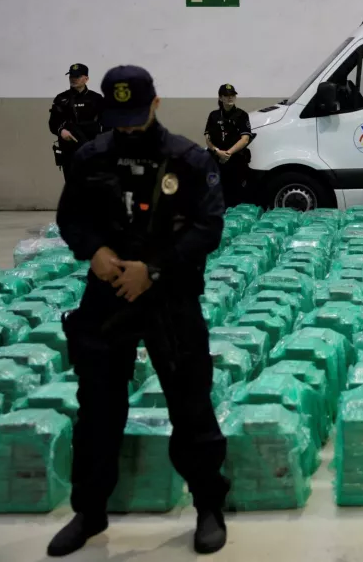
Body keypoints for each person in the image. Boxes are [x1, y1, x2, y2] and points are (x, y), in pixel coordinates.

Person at [50, 65, 229, 557]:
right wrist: (96, 252)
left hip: (169, 296)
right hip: (108, 295)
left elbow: (208, 226)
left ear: (154, 104)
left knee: (190, 405)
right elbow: (72, 217)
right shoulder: (89, 158)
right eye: (118, 116)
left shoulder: (187, 160)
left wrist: (150, 269)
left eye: (135, 114)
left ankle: (209, 507)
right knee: (98, 410)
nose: (127, 126)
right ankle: (89, 512)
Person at [49, 64, 104, 179]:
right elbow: (53, 123)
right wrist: (62, 131)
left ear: (86, 79)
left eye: (77, 76)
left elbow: (107, 122)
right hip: (69, 149)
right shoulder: (61, 98)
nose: (73, 79)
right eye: (71, 76)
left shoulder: (96, 99)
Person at [204, 83, 254, 207]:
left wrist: (228, 153)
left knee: (236, 196)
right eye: (226, 96)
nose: (230, 98)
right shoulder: (213, 115)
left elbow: (245, 139)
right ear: (220, 98)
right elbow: (207, 138)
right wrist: (216, 151)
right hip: (217, 160)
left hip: (235, 161)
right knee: (215, 193)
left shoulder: (242, 115)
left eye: (232, 95)